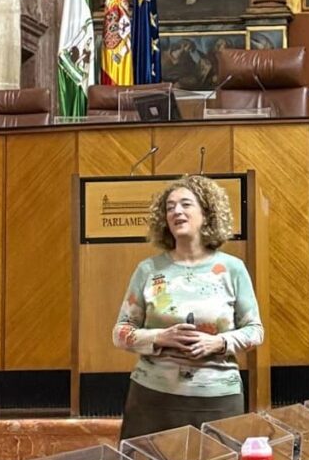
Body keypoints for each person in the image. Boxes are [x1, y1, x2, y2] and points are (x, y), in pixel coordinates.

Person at [113, 175, 264, 441]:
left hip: (218, 398)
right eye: (170, 207)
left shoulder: (232, 269)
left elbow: (254, 331)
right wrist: (159, 337)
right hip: (152, 397)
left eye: (185, 204)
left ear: (206, 213)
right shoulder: (148, 270)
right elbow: (120, 332)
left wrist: (218, 343)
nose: (176, 212)